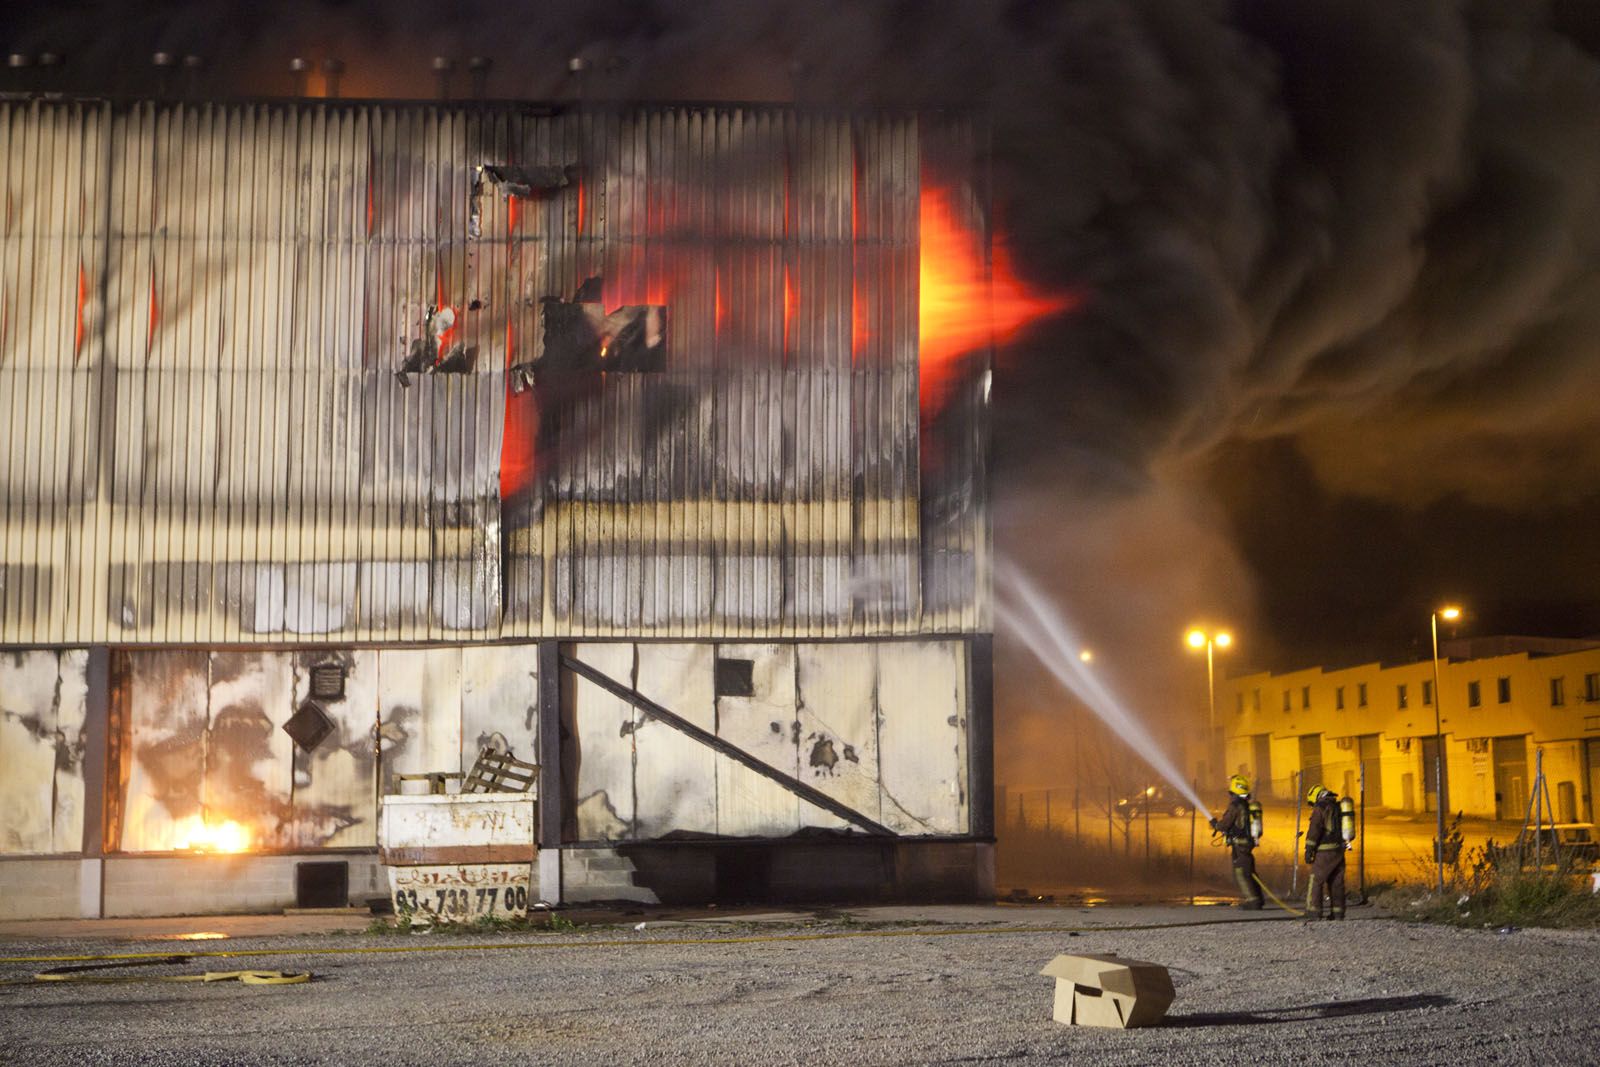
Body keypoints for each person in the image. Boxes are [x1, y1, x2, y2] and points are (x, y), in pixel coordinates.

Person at [1209, 774, 1264, 909]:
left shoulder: (1235, 805)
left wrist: (1215, 824)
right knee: (1249, 871)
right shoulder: (1245, 804)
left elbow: (1225, 824)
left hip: (1240, 844)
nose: (1230, 795)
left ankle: (1252, 901)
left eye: (1231, 792)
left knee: (1242, 872)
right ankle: (1258, 899)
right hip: (1247, 843)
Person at [1303, 784, 1347, 919]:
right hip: (1339, 849)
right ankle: (1338, 913)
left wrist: (1309, 849)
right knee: (1336, 881)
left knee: (1315, 880)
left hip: (1325, 850)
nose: (1313, 805)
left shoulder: (1320, 807)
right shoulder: (1338, 806)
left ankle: (1313, 912)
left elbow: (1315, 829)